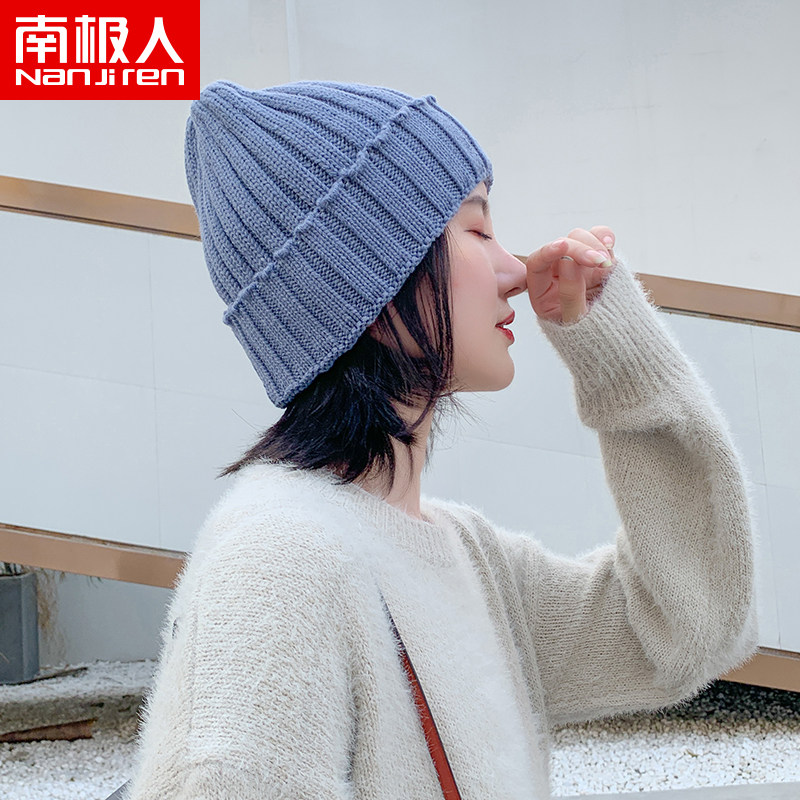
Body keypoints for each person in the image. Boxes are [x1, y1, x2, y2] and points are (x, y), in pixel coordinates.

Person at [123, 80, 757, 799]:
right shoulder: (279, 561)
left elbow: (688, 630)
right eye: (478, 231)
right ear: (371, 281)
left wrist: (617, 351)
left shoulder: (464, 554)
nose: (515, 272)